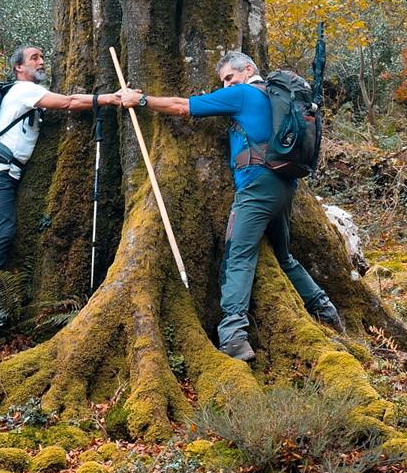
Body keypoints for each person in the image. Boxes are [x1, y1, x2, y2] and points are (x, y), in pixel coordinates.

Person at [116, 51, 344, 362]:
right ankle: (324, 308)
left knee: (238, 255)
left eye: (228, 78)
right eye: (223, 81)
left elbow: (181, 106)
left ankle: (234, 335)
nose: (226, 86)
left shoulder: (243, 94)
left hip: (256, 187)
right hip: (285, 185)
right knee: (284, 256)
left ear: (248, 69)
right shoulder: (273, 98)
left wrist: (140, 100)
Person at [0, 45, 125, 327]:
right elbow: (68, 102)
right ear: (19, 68)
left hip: (6, 173)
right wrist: (110, 99)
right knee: (2, 230)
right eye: (34, 58)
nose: (41, 62)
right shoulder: (23, 90)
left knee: (5, 230)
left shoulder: (27, 95)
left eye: (42, 57)